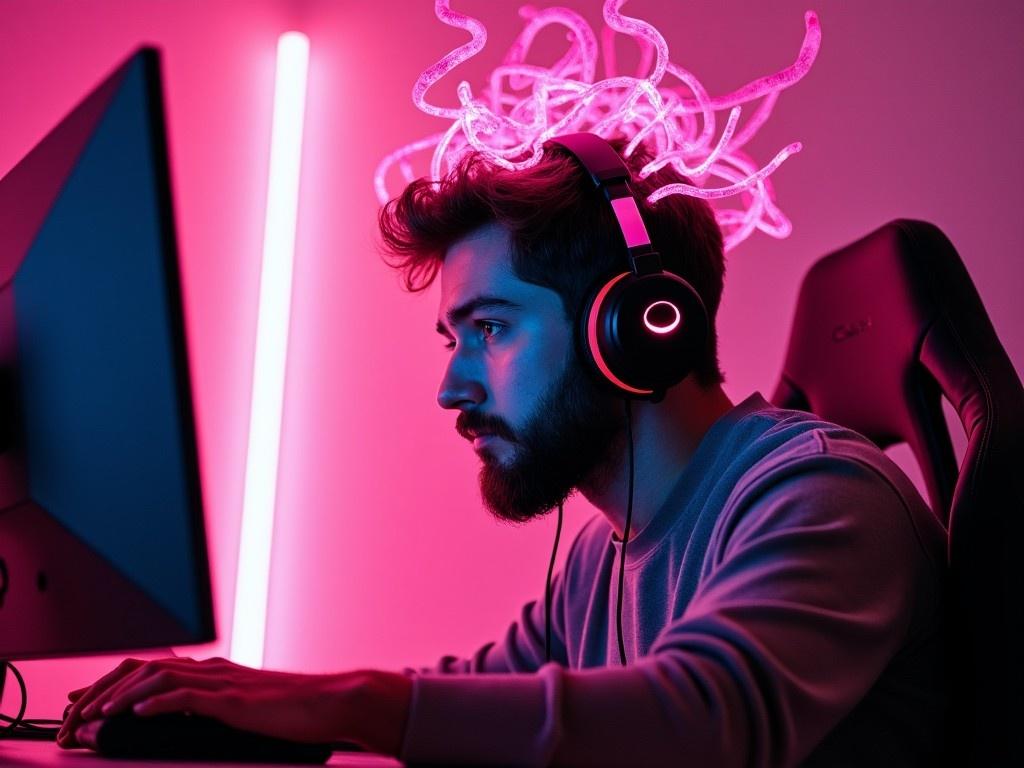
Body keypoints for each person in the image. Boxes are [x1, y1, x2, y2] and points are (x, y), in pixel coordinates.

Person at [58, 137, 949, 766]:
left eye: (490, 328)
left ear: (638, 326)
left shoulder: (822, 494)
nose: (454, 389)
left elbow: (709, 722)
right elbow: (476, 698)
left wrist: (346, 705)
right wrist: (258, 698)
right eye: (453, 340)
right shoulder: (603, 557)